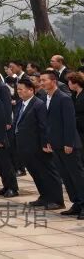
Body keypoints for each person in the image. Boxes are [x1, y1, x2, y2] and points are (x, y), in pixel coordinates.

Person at [39, 69, 84, 218]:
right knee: (66, 177)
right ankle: (76, 203)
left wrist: (69, 143)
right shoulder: (45, 97)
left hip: (68, 145)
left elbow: (69, 122)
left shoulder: (63, 98)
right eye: (40, 81)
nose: (41, 83)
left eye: (44, 80)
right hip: (55, 144)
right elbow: (47, 123)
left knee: (76, 176)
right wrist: (48, 141)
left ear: (53, 81)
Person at [13, 77, 63, 210]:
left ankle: (57, 200)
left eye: (21, 89)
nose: (19, 92)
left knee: (48, 173)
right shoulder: (20, 103)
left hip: (38, 146)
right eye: (17, 89)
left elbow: (44, 126)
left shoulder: (38, 104)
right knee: (36, 173)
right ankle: (44, 196)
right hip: (25, 146)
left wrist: (46, 143)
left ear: (31, 90)